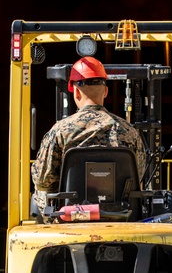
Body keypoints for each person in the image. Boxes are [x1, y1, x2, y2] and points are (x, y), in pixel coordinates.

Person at [31, 57, 148, 213]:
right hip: (120, 214)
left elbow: (43, 181)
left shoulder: (60, 131)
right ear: (105, 92)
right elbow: (137, 175)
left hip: (71, 217)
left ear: (77, 93)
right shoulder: (130, 132)